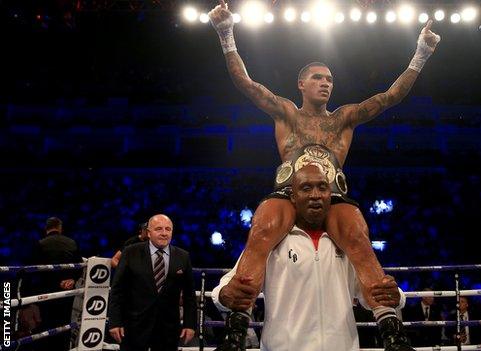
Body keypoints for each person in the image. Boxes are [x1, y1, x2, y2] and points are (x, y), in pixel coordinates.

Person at [207, 2, 439, 349]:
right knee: (263, 229)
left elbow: (390, 97)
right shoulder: (286, 113)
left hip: (333, 197)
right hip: (287, 194)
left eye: (330, 78)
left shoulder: (343, 119)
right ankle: (238, 325)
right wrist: (226, 34)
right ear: (301, 83)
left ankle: (391, 328)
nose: (325, 83)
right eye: (318, 77)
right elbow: (247, 84)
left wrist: (422, 52)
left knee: (359, 237)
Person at [212, 165, 407, 351]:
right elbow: (228, 286)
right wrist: (224, 294)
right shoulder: (271, 241)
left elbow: (373, 292)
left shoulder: (348, 243)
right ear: (293, 197)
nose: (315, 195)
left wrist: (397, 295)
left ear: (330, 195)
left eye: (322, 187)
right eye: (306, 188)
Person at [108, 214, 197, 351]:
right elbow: (117, 290)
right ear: (148, 233)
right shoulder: (131, 252)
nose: (164, 233)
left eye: (168, 229)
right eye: (159, 229)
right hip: (134, 325)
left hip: (168, 328)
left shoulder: (183, 256)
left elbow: (189, 295)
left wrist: (189, 324)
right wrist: (114, 322)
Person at [29, 216, 82, 351]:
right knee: (65, 324)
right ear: (60, 228)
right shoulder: (72, 243)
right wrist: (73, 279)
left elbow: (31, 271)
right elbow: (80, 266)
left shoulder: (40, 244)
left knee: (46, 326)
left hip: (46, 293)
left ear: (46, 228)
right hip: (67, 291)